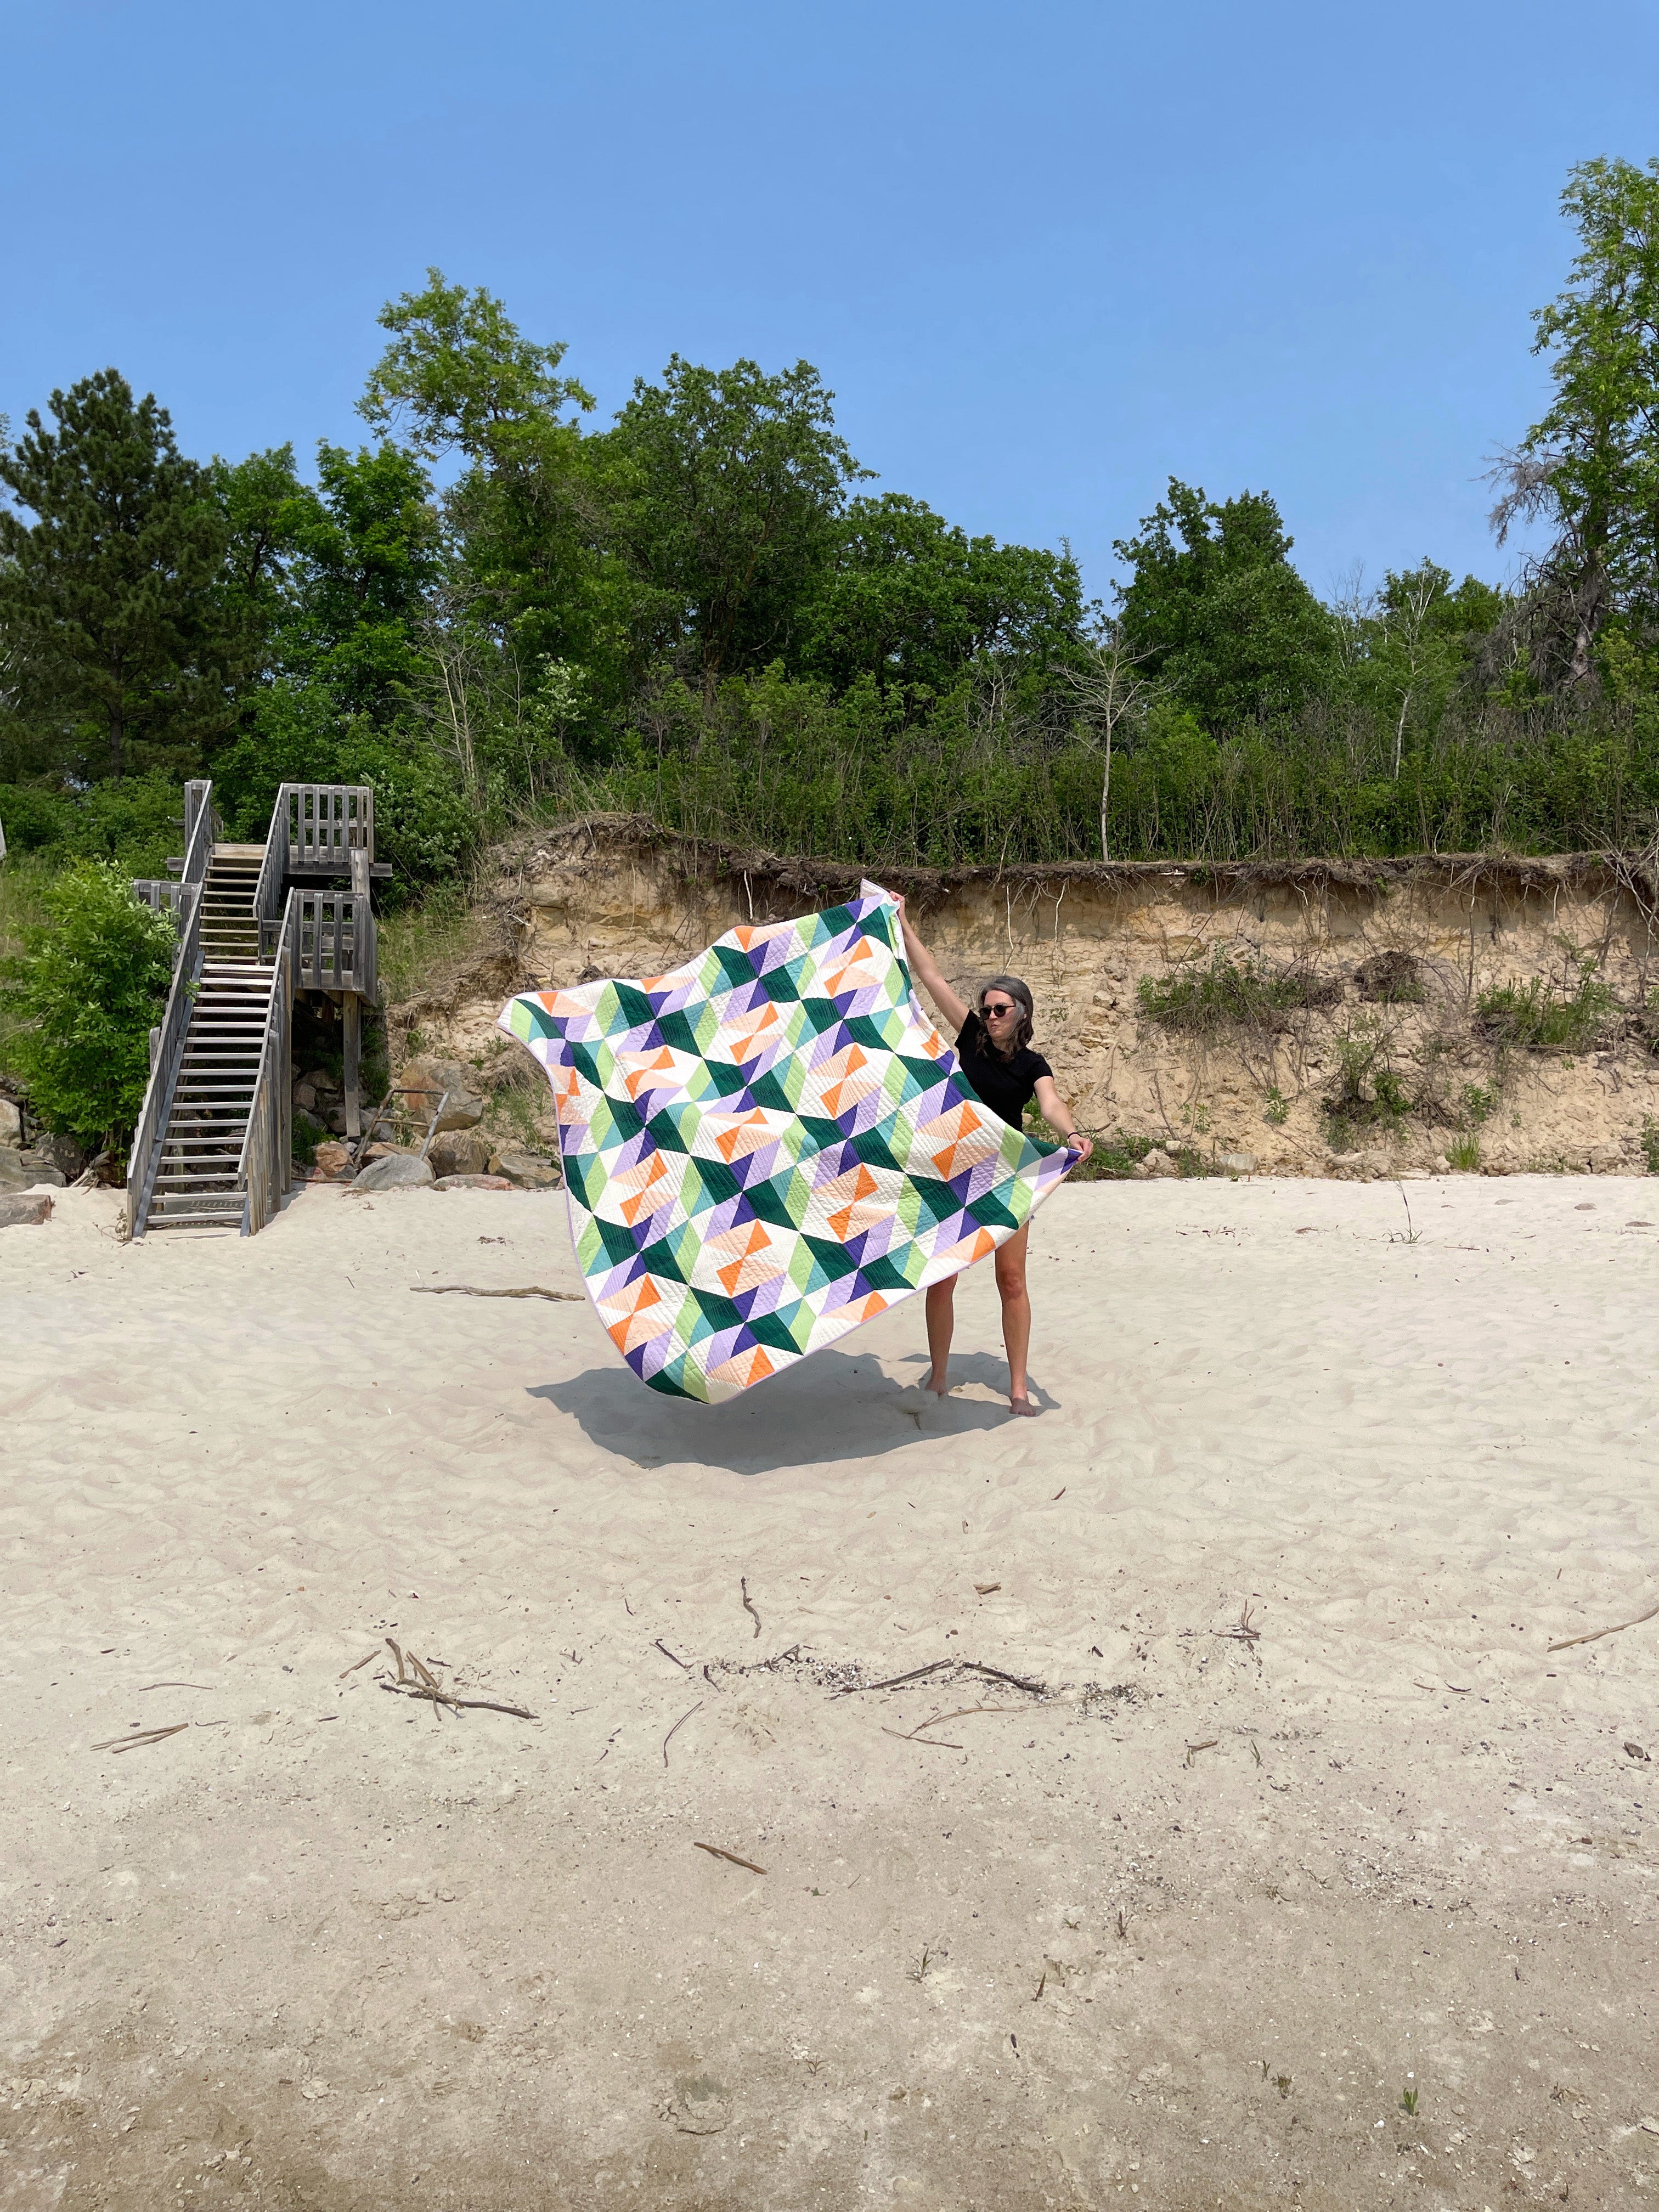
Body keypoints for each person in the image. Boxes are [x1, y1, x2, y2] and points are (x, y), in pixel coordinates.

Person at [894, 898, 1093, 1418]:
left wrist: (1072, 1134)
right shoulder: (970, 1038)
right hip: (957, 1167)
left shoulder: (1033, 1064)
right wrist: (904, 922)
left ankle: (1019, 1388)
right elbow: (931, 976)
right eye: (986, 1008)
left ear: (1021, 1015)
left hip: (1009, 1174)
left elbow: (1050, 1103)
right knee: (943, 1277)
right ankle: (938, 1376)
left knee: (1011, 1280)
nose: (990, 1016)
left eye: (1000, 1009)